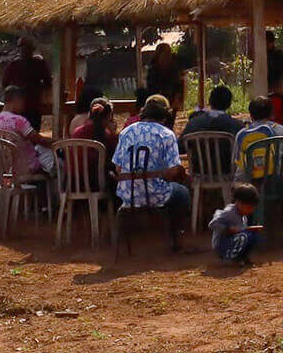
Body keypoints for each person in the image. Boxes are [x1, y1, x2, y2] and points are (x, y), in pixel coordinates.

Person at [113, 94, 190, 249]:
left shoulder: (126, 132)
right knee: (182, 193)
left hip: (128, 194)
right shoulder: (166, 134)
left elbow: (118, 168)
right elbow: (174, 170)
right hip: (156, 194)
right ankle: (176, 237)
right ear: (164, 117)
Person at [208, 183, 265, 265]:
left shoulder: (243, 216)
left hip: (232, 242)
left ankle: (242, 257)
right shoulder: (230, 212)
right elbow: (212, 224)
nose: (251, 210)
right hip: (221, 244)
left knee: (253, 235)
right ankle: (230, 258)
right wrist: (228, 229)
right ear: (239, 203)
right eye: (249, 207)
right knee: (244, 236)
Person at [235, 97, 283, 180]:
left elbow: (235, 160)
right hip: (274, 179)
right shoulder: (282, 131)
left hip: (247, 181)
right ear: (271, 114)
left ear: (251, 114)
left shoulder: (242, 134)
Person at [145, 41, 185, 106]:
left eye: (168, 54)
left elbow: (178, 86)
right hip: (156, 100)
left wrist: (176, 99)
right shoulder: (152, 70)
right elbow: (151, 89)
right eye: (164, 54)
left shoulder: (175, 69)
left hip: (172, 100)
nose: (167, 57)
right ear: (158, 56)